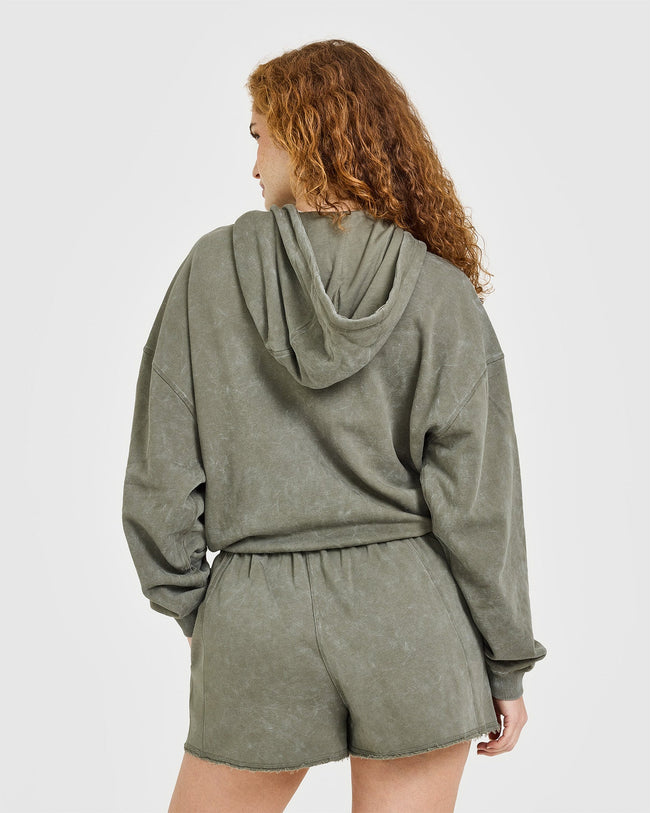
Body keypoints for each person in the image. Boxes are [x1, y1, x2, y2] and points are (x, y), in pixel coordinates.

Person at [121, 38, 547, 813]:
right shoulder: (438, 291)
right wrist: (506, 662)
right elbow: (480, 505)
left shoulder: (209, 273)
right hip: (411, 617)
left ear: (303, 134)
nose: (254, 166)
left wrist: (201, 606)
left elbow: (160, 478)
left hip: (257, 616)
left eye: (260, 137)